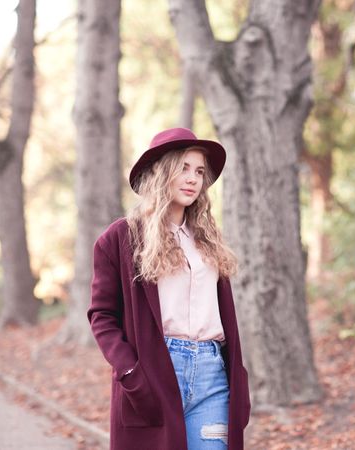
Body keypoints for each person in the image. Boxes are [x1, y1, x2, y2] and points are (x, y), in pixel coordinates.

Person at [88, 127, 251, 450]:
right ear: (162, 172)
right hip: (155, 373)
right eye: (183, 168)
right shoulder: (121, 238)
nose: (193, 178)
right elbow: (102, 315)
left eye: (199, 171)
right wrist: (131, 371)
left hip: (211, 374)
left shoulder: (207, 239)